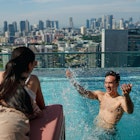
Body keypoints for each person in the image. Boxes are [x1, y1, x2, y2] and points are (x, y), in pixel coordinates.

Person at [66, 70, 134, 131]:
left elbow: (130, 111)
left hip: (108, 133)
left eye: (110, 83)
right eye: (106, 83)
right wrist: (72, 81)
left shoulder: (121, 100)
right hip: (96, 130)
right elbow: (85, 93)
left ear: (117, 84)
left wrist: (127, 95)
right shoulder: (101, 95)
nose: (107, 86)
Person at [0, 48, 36, 140]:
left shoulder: (3, 78)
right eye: (34, 63)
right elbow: (38, 110)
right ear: (29, 65)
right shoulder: (32, 81)